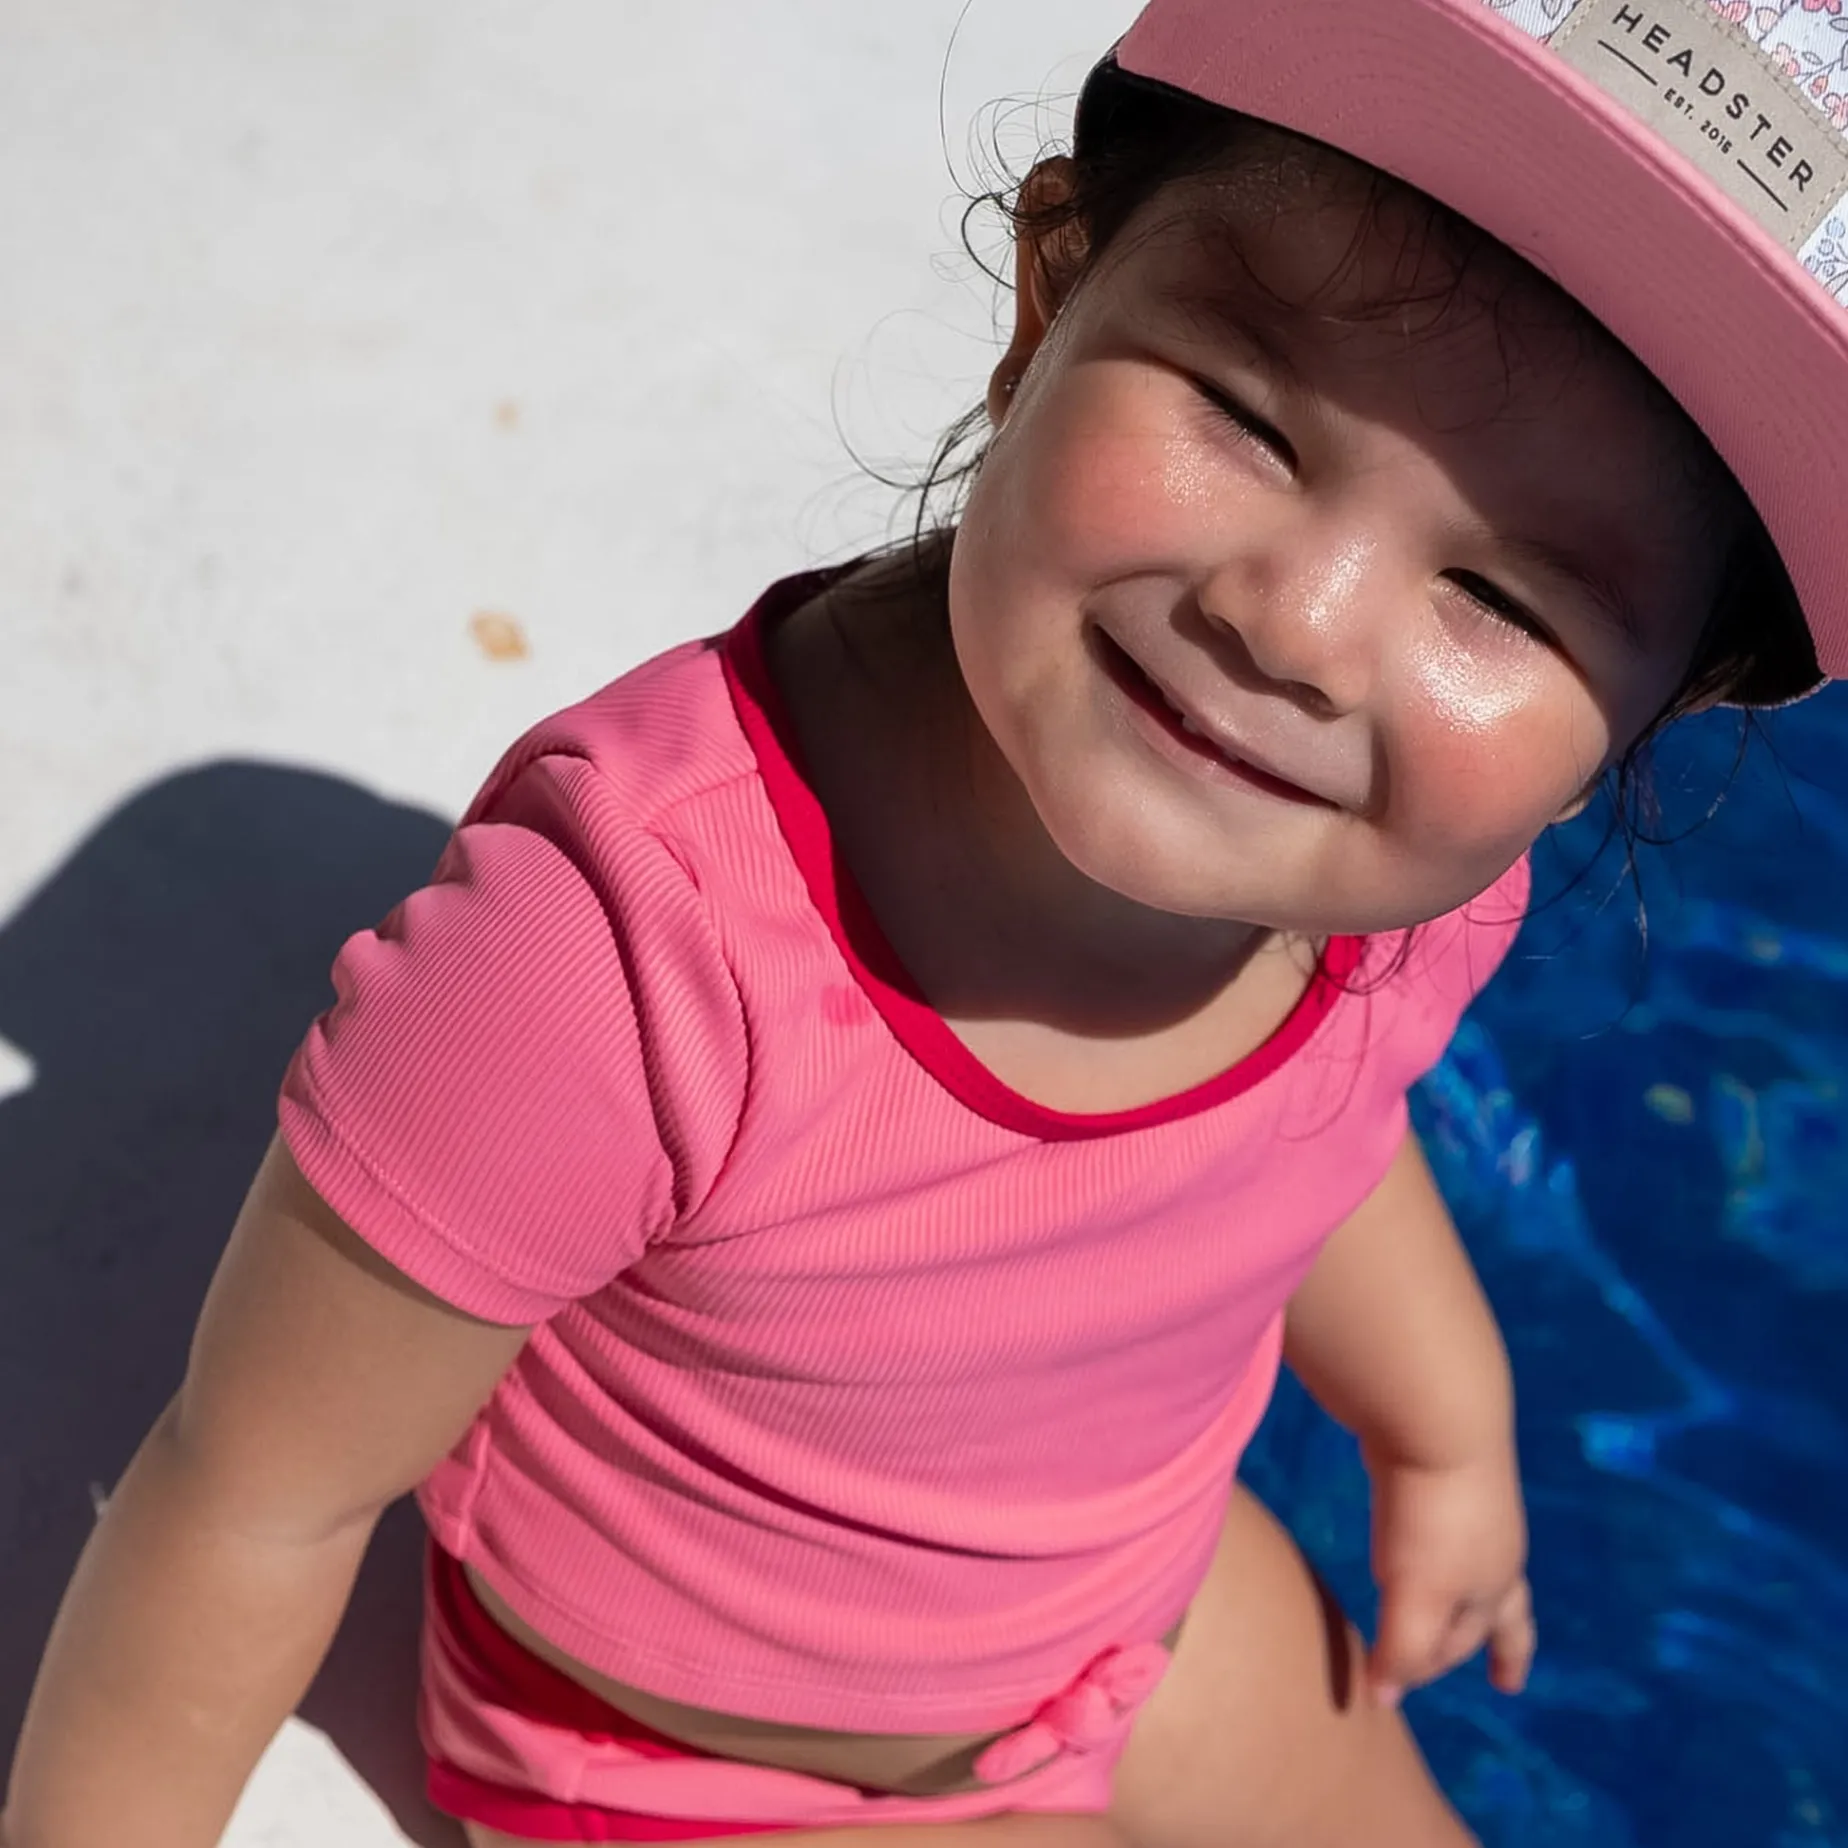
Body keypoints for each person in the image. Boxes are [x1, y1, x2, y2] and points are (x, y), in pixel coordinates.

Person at [7, 0, 1842, 1843]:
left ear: (1646, 719)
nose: (1297, 625)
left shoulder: (1387, 882)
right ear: (1052, 297)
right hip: (716, 1778)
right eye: (1246, 415)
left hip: (1142, 1624)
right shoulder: (623, 963)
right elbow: (249, 1503)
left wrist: (1441, 1425)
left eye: (1505, 602)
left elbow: (1312, 1137)